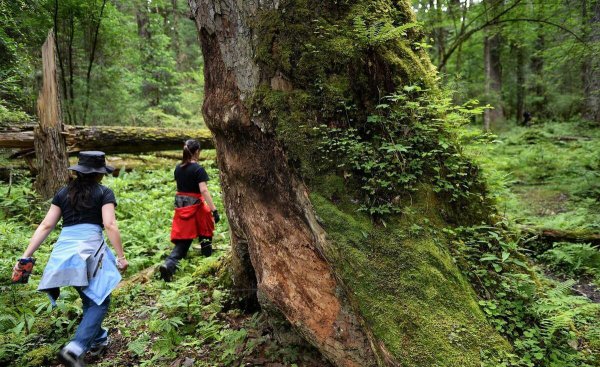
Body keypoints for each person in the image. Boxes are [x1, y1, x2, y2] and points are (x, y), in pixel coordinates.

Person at [12, 151, 127, 367]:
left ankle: (98, 340)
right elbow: (110, 225)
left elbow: (46, 225)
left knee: (90, 298)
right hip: (90, 253)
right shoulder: (104, 192)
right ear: (99, 174)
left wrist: (26, 256)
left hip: (63, 256)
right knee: (101, 301)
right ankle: (74, 349)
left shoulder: (63, 193)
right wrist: (121, 257)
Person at [159, 139, 219, 282]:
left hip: (182, 206)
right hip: (197, 206)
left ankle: (169, 264)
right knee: (205, 232)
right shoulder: (198, 169)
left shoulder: (178, 168)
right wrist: (214, 210)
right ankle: (208, 263)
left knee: (184, 238)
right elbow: (203, 190)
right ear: (197, 151)